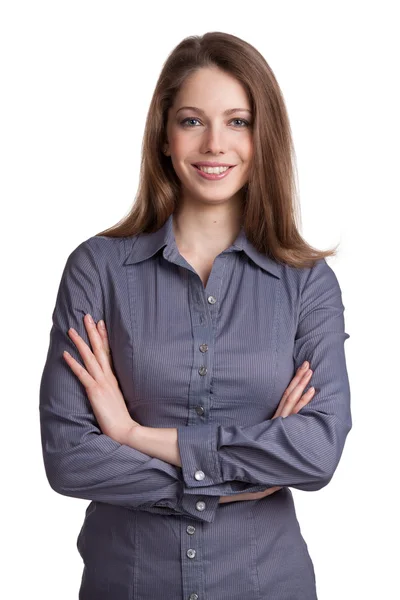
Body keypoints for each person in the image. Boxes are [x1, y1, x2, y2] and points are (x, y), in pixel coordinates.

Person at [39, 31, 352, 599]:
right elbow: (70, 458)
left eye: (237, 121)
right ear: (164, 135)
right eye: (191, 121)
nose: (215, 144)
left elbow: (316, 452)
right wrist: (244, 470)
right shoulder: (98, 270)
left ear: (265, 137)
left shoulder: (307, 283)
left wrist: (134, 435)